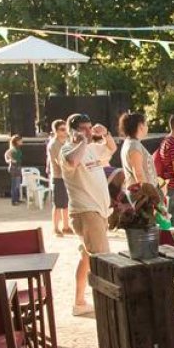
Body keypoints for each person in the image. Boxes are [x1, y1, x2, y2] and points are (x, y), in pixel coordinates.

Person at [59, 113, 117, 316]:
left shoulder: (91, 148)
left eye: (90, 127)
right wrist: (82, 140)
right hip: (86, 211)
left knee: (86, 258)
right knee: (102, 259)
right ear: (73, 130)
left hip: (98, 211)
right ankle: (107, 307)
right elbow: (72, 161)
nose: (88, 132)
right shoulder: (67, 149)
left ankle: (79, 301)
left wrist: (106, 134)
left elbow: (111, 148)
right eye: (84, 128)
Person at [118, 112, 158, 199]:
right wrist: (149, 196)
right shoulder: (134, 145)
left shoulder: (131, 143)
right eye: (146, 124)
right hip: (142, 197)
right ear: (140, 126)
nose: (147, 127)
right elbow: (139, 173)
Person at [46, 120, 71, 236]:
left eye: (66, 128)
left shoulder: (66, 142)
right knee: (58, 205)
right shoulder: (54, 144)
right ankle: (55, 228)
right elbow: (60, 161)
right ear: (56, 131)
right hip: (58, 177)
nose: (65, 131)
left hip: (66, 176)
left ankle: (66, 227)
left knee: (66, 204)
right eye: (62, 129)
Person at [4, 135, 24, 206]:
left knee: (17, 184)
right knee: (14, 185)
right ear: (16, 142)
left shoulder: (18, 149)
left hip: (18, 168)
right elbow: (6, 154)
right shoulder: (13, 149)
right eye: (20, 141)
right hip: (14, 168)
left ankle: (17, 199)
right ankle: (14, 200)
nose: (22, 142)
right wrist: (10, 160)